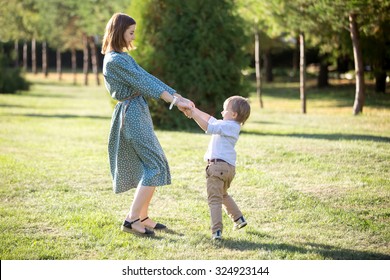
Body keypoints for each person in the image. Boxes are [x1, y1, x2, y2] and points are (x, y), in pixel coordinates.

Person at [101, 12, 193, 236]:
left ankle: (143, 216)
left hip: (136, 111)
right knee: (153, 165)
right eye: (130, 32)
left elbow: (147, 77)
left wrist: (176, 96)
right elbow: (143, 83)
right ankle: (131, 219)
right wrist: (174, 102)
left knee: (154, 163)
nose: (133, 37)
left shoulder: (122, 57)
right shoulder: (114, 61)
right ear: (118, 32)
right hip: (131, 114)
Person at [186, 96, 251, 240]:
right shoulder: (230, 125)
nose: (222, 112)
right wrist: (194, 110)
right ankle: (238, 219)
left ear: (233, 114)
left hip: (217, 167)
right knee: (222, 195)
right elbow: (210, 119)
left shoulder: (228, 126)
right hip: (227, 169)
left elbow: (208, 127)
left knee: (214, 200)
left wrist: (194, 115)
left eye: (225, 110)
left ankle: (216, 232)